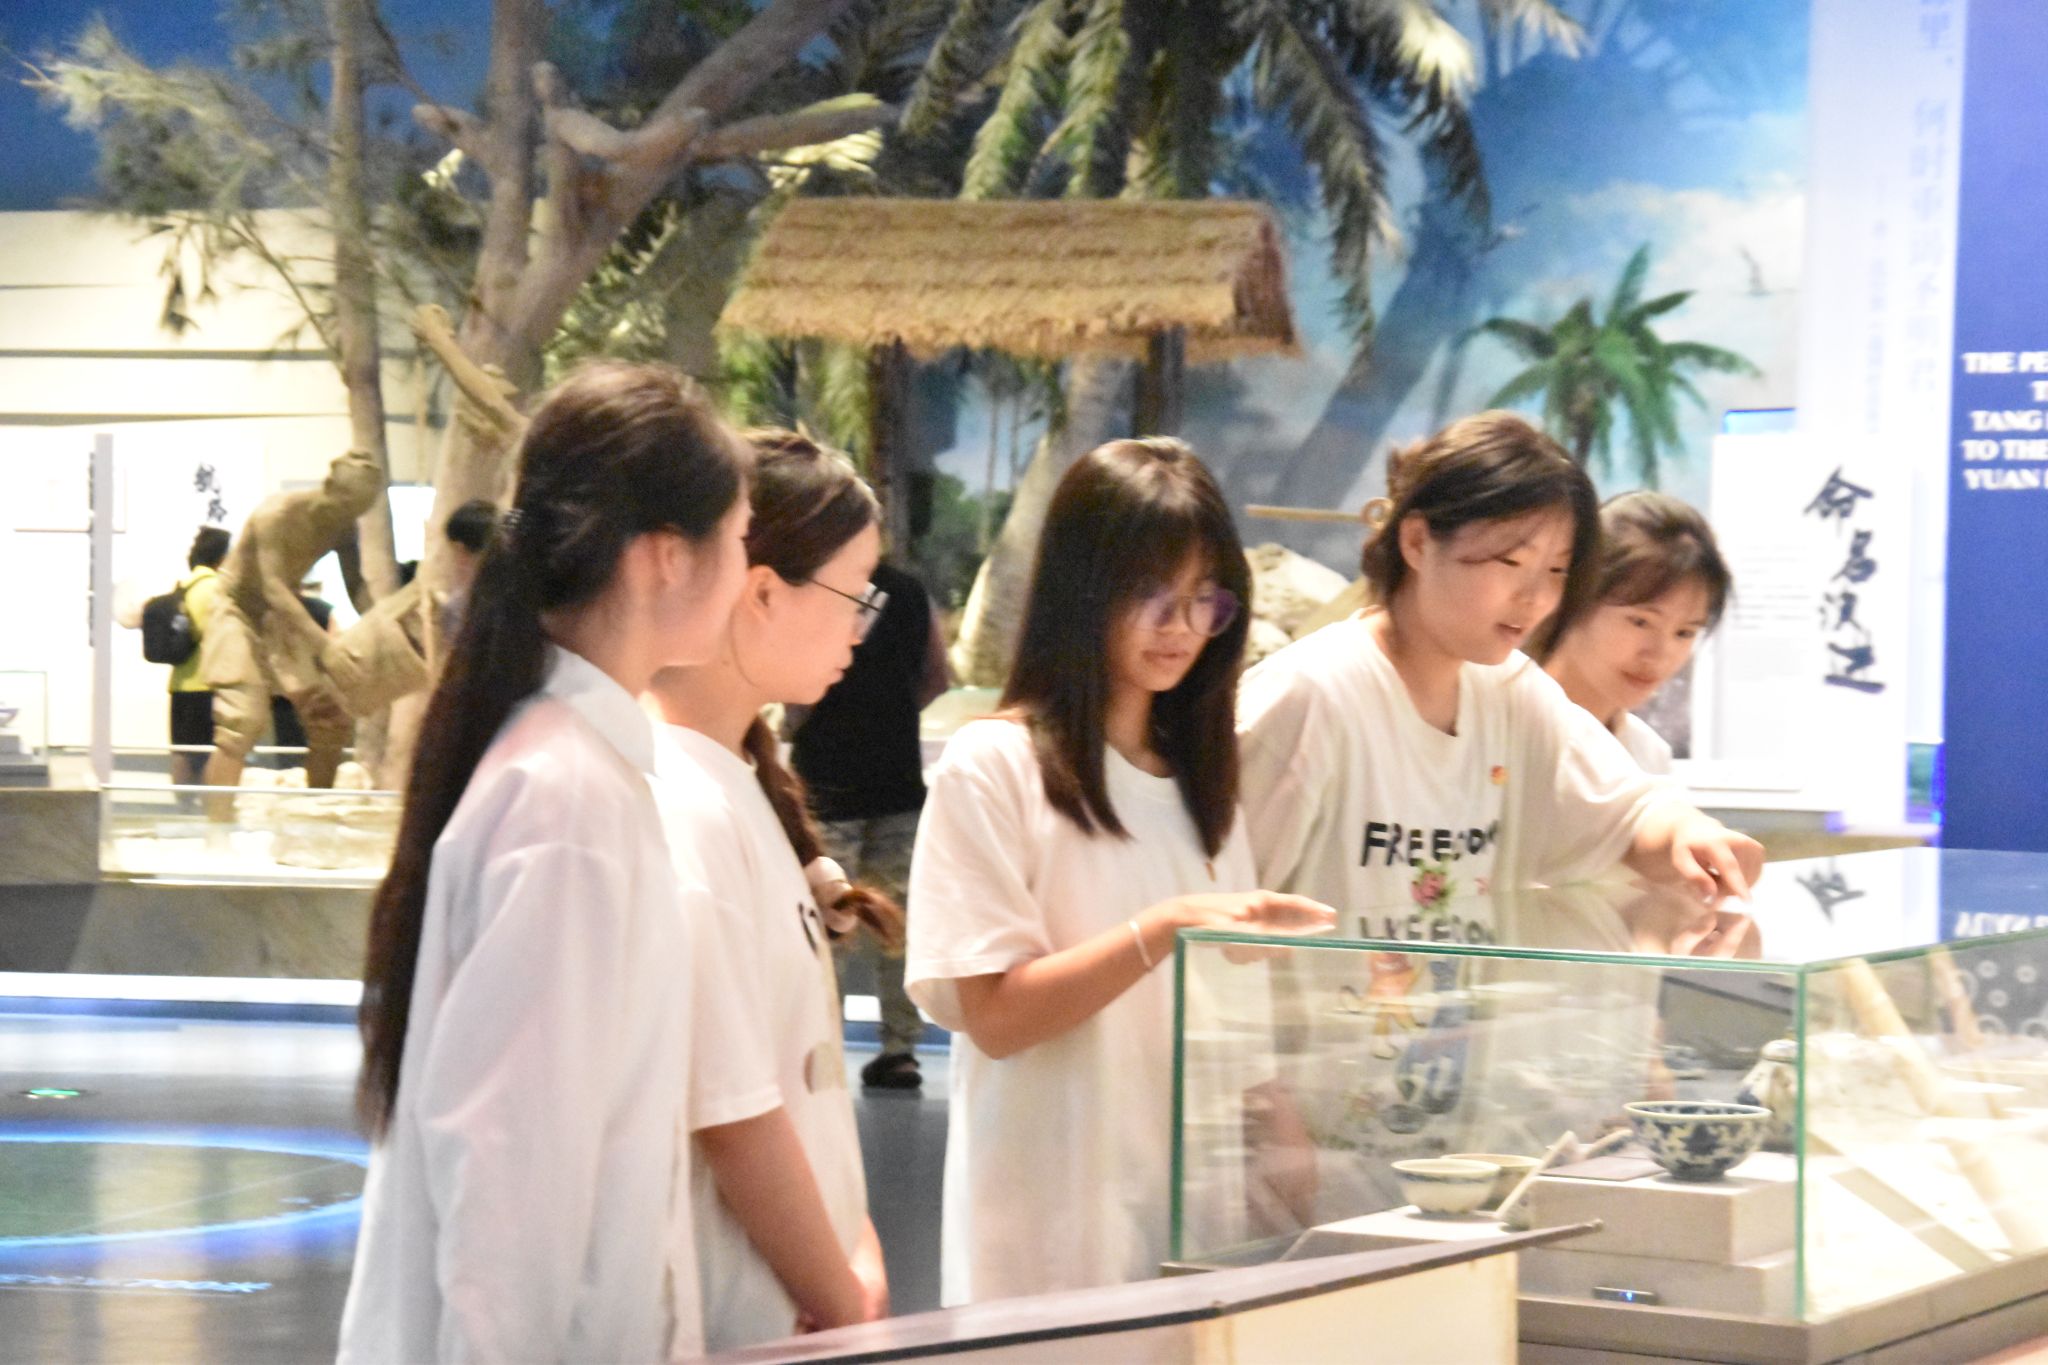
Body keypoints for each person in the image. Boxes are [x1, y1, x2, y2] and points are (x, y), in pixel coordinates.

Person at [338, 362, 754, 1363]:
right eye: (742, 540)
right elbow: (508, 1193)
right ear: (665, 558)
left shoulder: (573, 771)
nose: (748, 572)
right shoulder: (566, 801)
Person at [905, 437, 1334, 1306]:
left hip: (1187, 1225)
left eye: (1203, 599)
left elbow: (1238, 1036)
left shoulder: (1200, 782)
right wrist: (1161, 929)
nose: (1180, 628)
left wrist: (1293, 1161)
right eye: (1150, 594)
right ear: (1082, 590)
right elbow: (995, 1016)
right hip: (1047, 1228)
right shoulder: (993, 765)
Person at [1237, 411, 1762, 941]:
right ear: (1417, 542)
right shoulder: (1310, 693)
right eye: (1511, 563)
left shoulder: (1512, 691)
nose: (1535, 598)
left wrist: (1688, 833)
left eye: (1556, 571)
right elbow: (1222, 912)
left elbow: (1628, 816)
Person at [646, 430, 897, 1350]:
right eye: (853, 596)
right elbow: (733, 1114)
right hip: (756, 1313)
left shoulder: (738, 780)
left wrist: (854, 1247)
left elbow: (795, 1087)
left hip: (796, 1301)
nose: (860, 632)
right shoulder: (681, 799)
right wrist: (840, 1289)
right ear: (760, 593)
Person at [790, 553, 949, 1091]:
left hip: (825, 781)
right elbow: (937, 677)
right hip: (897, 778)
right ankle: (900, 1049)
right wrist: (892, 709)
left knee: (822, 922)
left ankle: (818, 1047)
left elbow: (794, 694)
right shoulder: (911, 591)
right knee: (896, 924)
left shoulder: (815, 582)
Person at [199, 450, 379, 798]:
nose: (349, 516)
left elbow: (356, 585)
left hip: (280, 616)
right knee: (240, 722)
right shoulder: (277, 514)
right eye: (346, 505)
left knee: (331, 720)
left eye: (358, 510)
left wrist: (382, 623)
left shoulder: (344, 527)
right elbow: (274, 587)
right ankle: (217, 825)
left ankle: (315, 816)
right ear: (329, 486)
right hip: (237, 608)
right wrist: (325, 646)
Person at [1532, 491, 1733, 774]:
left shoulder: (1647, 756)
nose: (1659, 654)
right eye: (1640, 622)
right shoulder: (1501, 722)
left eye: (1684, 633)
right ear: (1577, 595)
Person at [167, 526, 231, 786]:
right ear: (222, 557)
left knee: (182, 752)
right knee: (209, 754)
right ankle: (206, 805)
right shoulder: (216, 588)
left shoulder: (184, 586)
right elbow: (220, 636)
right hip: (208, 684)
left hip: (179, 683)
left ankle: (183, 804)